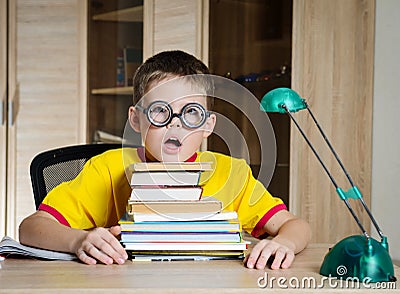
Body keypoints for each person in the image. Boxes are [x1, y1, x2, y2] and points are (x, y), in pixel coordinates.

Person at [19, 50, 311, 269]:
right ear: (136, 119)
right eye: (160, 111)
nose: (176, 125)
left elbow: (296, 226)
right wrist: (78, 240)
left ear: (208, 124)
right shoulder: (107, 169)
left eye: (191, 113)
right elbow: (31, 228)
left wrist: (283, 242)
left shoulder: (231, 173)